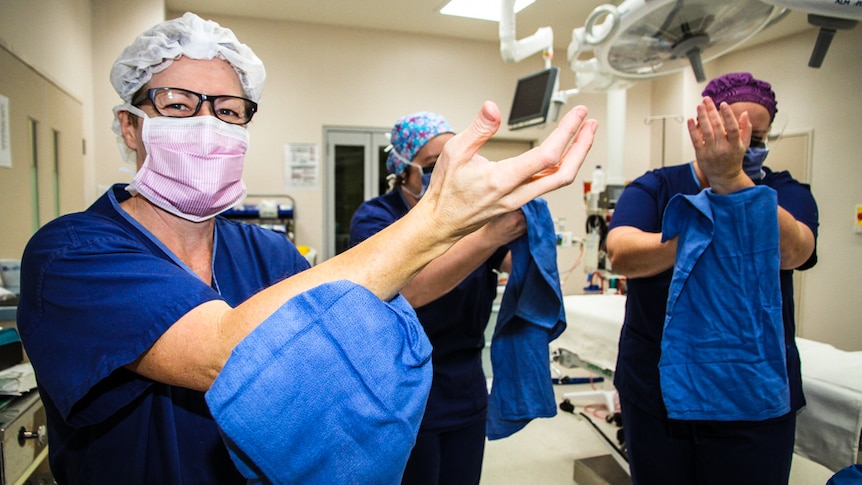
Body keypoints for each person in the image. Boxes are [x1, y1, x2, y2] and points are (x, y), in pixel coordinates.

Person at [15, 12, 598, 485]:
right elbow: (225, 351)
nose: (208, 125)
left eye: (228, 111)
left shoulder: (265, 253)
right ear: (130, 126)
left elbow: (356, 337)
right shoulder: (72, 255)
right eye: (177, 104)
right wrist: (440, 221)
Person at [606, 72, 818, 484]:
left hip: (753, 395)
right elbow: (621, 254)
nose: (741, 146)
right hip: (658, 392)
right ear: (701, 128)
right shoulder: (658, 186)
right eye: (730, 131)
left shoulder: (785, 190)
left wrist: (731, 182)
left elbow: (796, 251)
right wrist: (704, 233)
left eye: (755, 139)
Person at [348, 112, 525, 484]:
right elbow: (408, 289)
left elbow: (521, 264)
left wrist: (525, 218)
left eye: (454, 164)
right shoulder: (377, 218)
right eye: (432, 166)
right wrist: (489, 236)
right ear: (403, 171)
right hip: (402, 394)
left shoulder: (471, 217)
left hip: (465, 387)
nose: (446, 176)